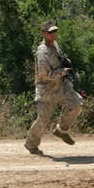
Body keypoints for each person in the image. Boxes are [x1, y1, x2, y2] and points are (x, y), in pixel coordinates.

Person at [24, 20, 83, 155]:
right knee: (43, 120)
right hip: (47, 90)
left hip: (62, 85)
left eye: (55, 31)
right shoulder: (42, 51)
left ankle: (62, 130)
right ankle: (31, 144)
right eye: (50, 32)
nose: (53, 34)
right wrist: (63, 71)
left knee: (77, 105)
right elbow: (44, 74)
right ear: (43, 33)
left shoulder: (55, 45)